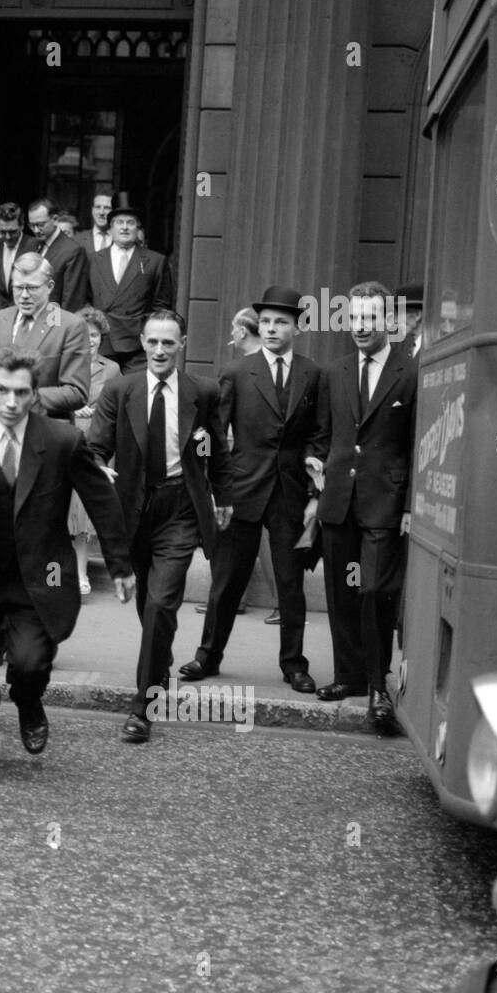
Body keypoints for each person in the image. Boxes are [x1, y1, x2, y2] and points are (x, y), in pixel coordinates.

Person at [0, 348, 135, 762]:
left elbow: (101, 499)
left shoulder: (62, 440)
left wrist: (120, 565)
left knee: (31, 662)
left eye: (21, 393)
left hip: (40, 574)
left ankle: (29, 703)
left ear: (35, 396)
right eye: (2, 391)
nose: (11, 403)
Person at [88, 310, 233, 742]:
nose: (159, 351)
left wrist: (223, 497)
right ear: (142, 341)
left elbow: (216, 448)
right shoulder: (119, 389)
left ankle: (142, 707)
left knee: (161, 604)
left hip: (180, 507)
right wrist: (99, 469)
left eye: (169, 343)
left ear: (182, 344)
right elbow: (95, 447)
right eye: (152, 342)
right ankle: (159, 663)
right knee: (148, 606)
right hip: (132, 509)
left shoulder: (203, 392)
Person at [179, 285, 328, 692]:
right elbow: (216, 434)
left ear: (298, 327)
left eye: (281, 322)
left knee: (290, 582)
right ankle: (207, 656)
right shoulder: (236, 372)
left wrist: (315, 461)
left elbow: (320, 431)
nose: (271, 329)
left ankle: (294, 665)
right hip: (243, 489)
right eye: (265, 322)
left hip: (290, 491)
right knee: (226, 581)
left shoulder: (312, 374)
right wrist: (219, 491)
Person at [315, 283, 417, 733]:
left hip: (385, 502)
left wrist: (411, 503)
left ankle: (380, 688)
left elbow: (418, 443)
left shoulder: (411, 372)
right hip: (340, 500)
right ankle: (349, 676)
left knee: (374, 591)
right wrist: (316, 474)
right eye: (353, 318)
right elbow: (325, 434)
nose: (359, 327)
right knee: (343, 591)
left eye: (369, 319)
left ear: (388, 321)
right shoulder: (335, 371)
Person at [195, 306, 277, 621]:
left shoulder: (235, 369)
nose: (231, 333)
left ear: (242, 331)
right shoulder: (276, 366)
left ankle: (230, 598)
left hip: (241, 466)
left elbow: (218, 424)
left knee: (234, 530)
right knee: (262, 535)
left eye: (233, 328)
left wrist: (205, 459)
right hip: (270, 466)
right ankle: (260, 600)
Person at [0, 254, 89, 418]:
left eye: (32, 288)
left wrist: (24, 396)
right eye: (18, 287)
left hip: (44, 427)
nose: (24, 295)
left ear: (50, 286)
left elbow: (77, 391)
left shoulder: (70, 325)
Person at [67, 307, 121, 594]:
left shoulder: (111, 369)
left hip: (94, 442)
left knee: (84, 508)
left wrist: (96, 411)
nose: (91, 340)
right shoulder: (63, 363)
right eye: (86, 334)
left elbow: (115, 407)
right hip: (65, 438)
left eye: (96, 335)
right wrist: (73, 403)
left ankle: (81, 573)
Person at [86, 200, 174, 372]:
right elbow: (85, 300)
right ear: (110, 229)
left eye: (130, 223)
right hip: (103, 342)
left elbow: (162, 306)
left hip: (137, 346)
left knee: (135, 394)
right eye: (119, 222)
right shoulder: (94, 259)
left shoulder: (155, 261)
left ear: (138, 229)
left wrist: (148, 335)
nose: (125, 227)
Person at [27, 196, 89, 312]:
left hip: (53, 320)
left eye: (40, 225)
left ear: (55, 219)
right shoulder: (31, 245)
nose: (35, 230)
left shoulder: (73, 251)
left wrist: (58, 327)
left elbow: (71, 301)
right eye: (32, 225)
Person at [0, 202, 35, 311]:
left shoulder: (35, 246)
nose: (7, 237)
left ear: (22, 225)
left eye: (12, 232)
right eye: (3, 232)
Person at [79, 191, 114, 255]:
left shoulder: (123, 240)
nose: (101, 212)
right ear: (92, 210)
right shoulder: (77, 240)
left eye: (107, 208)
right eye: (98, 207)